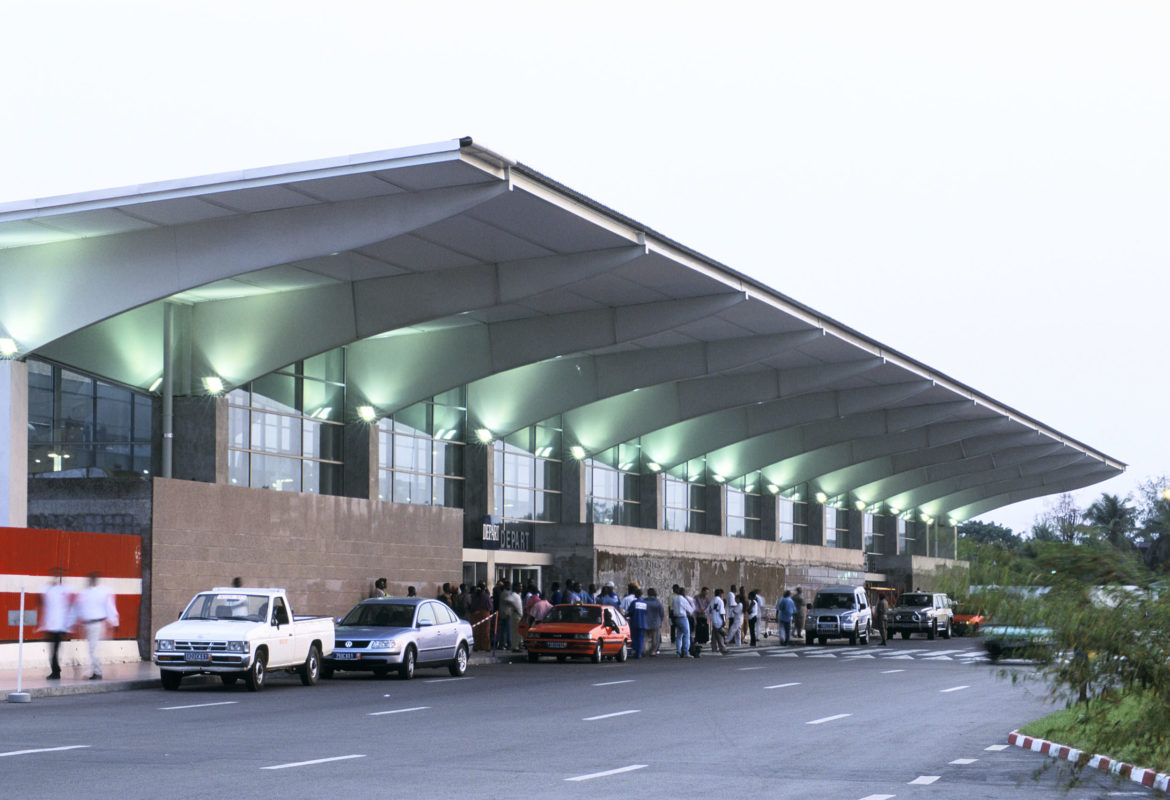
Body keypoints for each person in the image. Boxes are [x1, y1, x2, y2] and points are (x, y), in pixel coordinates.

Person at [76, 571, 119, 680]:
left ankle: (97, 672)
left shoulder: (102, 592)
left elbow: (109, 607)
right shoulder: (86, 593)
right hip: (89, 624)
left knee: (92, 649)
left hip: (97, 624)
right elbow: (81, 608)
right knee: (91, 648)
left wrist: (115, 621)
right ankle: (94, 670)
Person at [38, 567, 73, 680]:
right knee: (53, 650)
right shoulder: (49, 589)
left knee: (54, 650)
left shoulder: (64, 590)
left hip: (59, 626)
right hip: (52, 626)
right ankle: (56, 670)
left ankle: (56, 671)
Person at [671, 585, 693, 658]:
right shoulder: (683, 599)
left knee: (679, 635)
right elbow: (689, 609)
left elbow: (673, 608)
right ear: (683, 592)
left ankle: (678, 651)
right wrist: (691, 613)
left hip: (677, 618)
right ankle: (686, 651)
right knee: (687, 634)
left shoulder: (675, 599)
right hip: (683, 618)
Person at [643, 588, 665, 656]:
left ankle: (644, 650)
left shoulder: (644, 601)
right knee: (655, 638)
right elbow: (662, 613)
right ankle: (652, 651)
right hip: (655, 622)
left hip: (645, 622)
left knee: (645, 638)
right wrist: (661, 620)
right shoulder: (657, 602)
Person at [707, 588, 729, 655]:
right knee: (720, 635)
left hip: (713, 620)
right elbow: (722, 612)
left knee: (714, 635)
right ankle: (722, 648)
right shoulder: (720, 601)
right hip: (719, 620)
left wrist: (711, 617)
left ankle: (714, 648)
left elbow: (708, 610)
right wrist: (724, 621)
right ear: (721, 594)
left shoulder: (712, 600)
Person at [627, 588, 647, 658]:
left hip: (635, 622)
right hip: (642, 623)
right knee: (640, 638)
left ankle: (635, 651)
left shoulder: (634, 603)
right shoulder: (644, 603)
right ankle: (639, 653)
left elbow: (630, 612)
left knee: (634, 638)